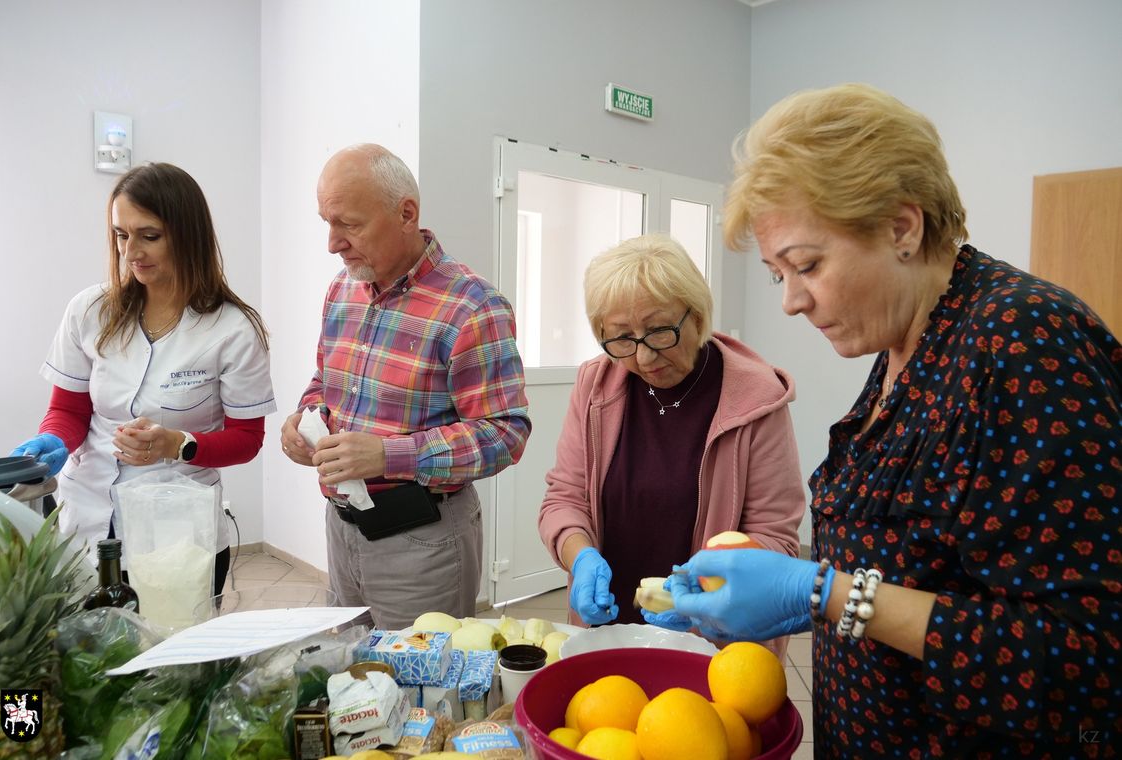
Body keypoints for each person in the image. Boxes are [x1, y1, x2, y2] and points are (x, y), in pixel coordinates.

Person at [667, 83, 1122, 757]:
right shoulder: (905, 344)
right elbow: (925, 553)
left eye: (807, 265)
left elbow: (1089, 656)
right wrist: (813, 589)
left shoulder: (1025, 341)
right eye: (776, 276)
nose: (792, 301)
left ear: (902, 227)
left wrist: (830, 594)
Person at [279, 143, 531, 629]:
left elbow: (506, 434)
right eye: (326, 223)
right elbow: (326, 382)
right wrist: (304, 418)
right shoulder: (342, 289)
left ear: (406, 214)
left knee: (423, 696)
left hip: (423, 541)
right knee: (356, 683)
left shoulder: (472, 307)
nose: (333, 243)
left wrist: (389, 456)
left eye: (348, 224)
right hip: (342, 525)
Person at [11, 162, 275, 594]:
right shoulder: (89, 310)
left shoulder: (233, 329)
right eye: (121, 234)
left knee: (169, 657)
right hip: (87, 524)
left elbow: (247, 439)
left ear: (187, 235)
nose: (131, 251)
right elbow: (67, 409)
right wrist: (55, 441)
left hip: (179, 535)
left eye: (149, 236)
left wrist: (176, 444)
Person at [536, 233, 806, 653]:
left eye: (659, 331)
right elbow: (565, 499)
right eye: (621, 339)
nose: (643, 358)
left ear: (696, 316)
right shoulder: (595, 386)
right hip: (609, 629)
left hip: (716, 642)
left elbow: (776, 538)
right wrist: (580, 557)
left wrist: (703, 594)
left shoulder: (756, 399)